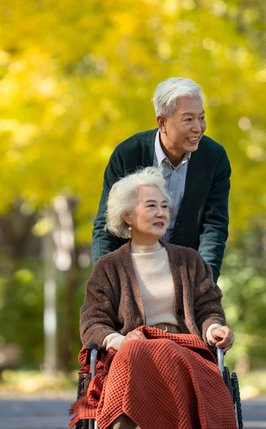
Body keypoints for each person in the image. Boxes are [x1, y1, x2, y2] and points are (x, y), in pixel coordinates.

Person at [71, 167, 236, 429]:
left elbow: (208, 308)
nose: (161, 213)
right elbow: (92, 323)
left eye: (164, 206)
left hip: (184, 350)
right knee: (136, 349)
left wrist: (215, 329)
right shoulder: (108, 267)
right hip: (131, 354)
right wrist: (121, 340)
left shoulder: (190, 261)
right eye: (150, 206)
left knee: (146, 350)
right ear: (128, 216)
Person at [91, 77, 231, 282]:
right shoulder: (128, 154)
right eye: (188, 119)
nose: (198, 127)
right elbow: (106, 225)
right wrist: (108, 282)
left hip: (186, 271)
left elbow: (214, 226)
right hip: (132, 269)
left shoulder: (214, 158)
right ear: (162, 122)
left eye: (201, 117)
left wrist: (204, 282)